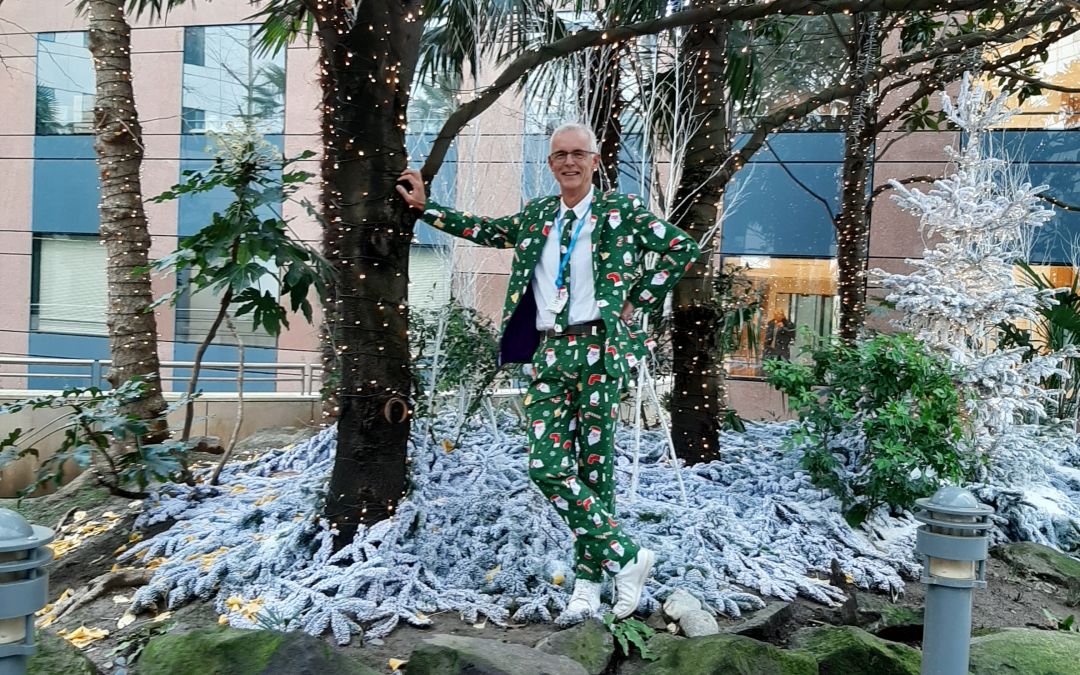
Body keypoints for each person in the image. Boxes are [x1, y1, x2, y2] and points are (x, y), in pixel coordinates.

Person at [397, 122, 700, 622]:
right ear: (551, 163)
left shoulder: (619, 212)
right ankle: (626, 556)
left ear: (595, 162)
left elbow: (681, 247)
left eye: (578, 153)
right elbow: (488, 231)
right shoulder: (540, 215)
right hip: (549, 352)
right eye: (559, 154)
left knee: (595, 468)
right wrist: (426, 208)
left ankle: (588, 585)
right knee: (546, 466)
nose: (568, 162)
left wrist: (636, 296)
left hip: (600, 348)